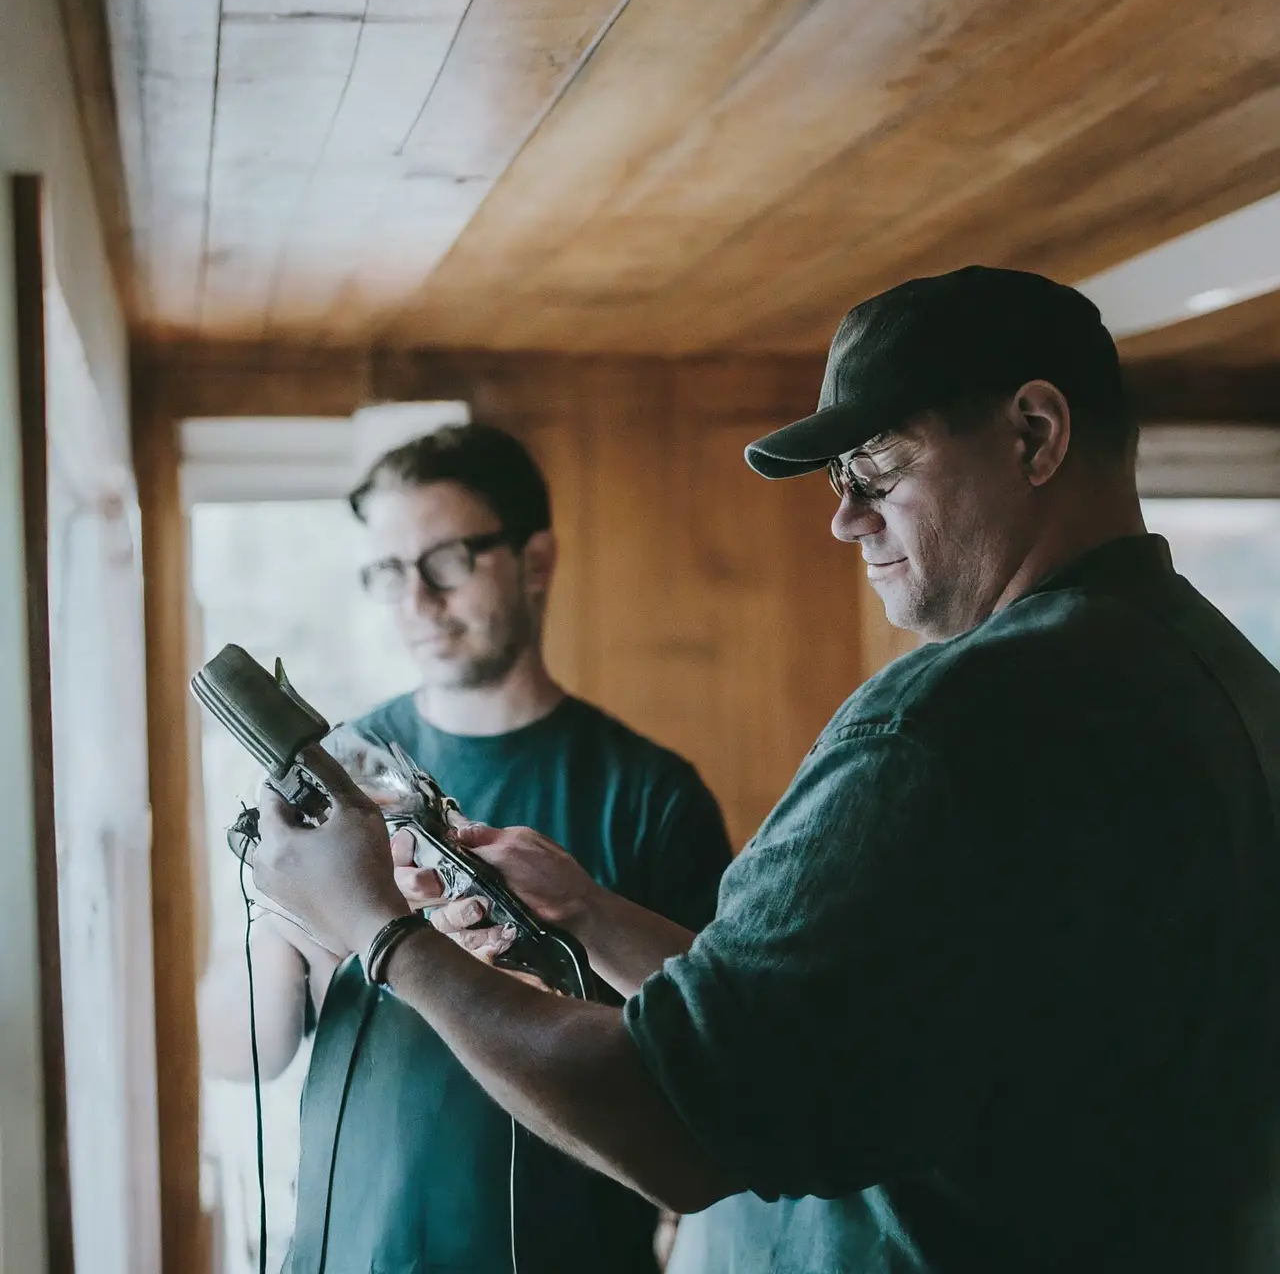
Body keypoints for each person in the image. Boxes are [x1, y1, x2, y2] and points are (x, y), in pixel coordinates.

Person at [250, 267, 1280, 1273]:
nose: (843, 518)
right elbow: (805, 1033)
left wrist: (380, 931)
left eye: (874, 468)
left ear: (1032, 434)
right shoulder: (1234, 687)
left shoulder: (943, 729)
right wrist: (589, 914)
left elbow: (674, 1116)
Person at [199, 423, 732, 1274]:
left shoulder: (651, 794)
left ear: (535, 560)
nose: (415, 598)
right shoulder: (338, 778)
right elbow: (237, 1052)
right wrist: (296, 927)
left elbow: (710, 1070)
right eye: (388, 570)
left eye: (447, 559)